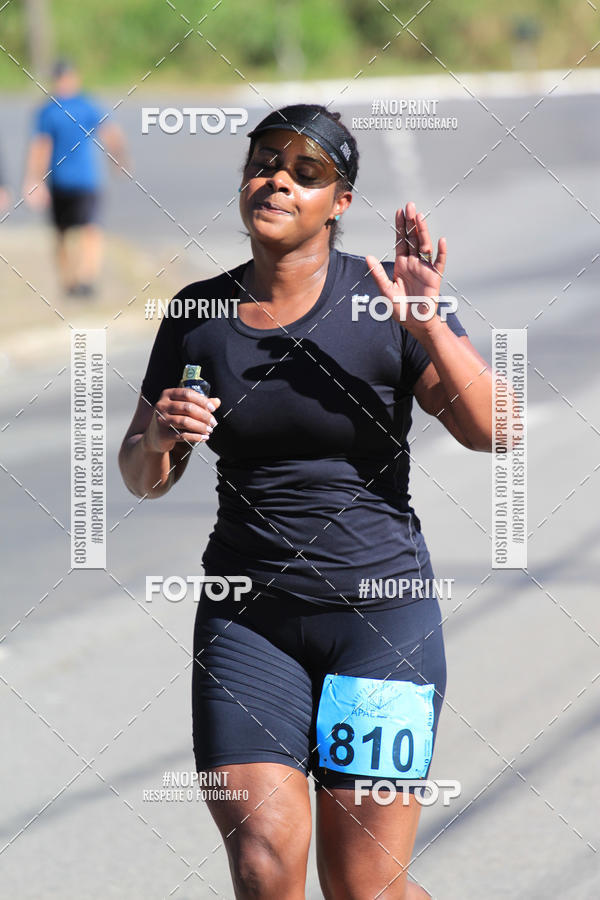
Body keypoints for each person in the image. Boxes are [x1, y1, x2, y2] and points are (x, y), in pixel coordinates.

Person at [119, 104, 494, 899]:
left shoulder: (385, 299)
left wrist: (430, 328)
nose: (279, 180)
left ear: (340, 202)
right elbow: (142, 475)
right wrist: (157, 435)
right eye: (265, 162)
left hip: (380, 625)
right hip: (247, 624)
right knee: (263, 864)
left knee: (364, 887)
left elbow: (493, 431)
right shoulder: (198, 315)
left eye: (307, 171)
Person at [22, 59, 128, 296]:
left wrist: (118, 158)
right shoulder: (48, 111)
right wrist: (34, 180)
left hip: (87, 180)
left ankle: (86, 279)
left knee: (91, 229)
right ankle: (69, 281)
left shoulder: (87, 106)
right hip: (60, 181)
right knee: (61, 232)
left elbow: (110, 133)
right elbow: (40, 147)